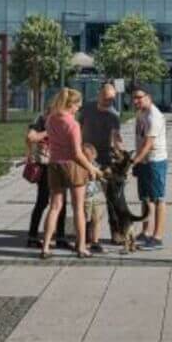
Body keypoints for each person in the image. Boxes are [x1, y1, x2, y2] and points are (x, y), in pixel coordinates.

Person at [42, 87, 100, 259]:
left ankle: (45, 247)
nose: (78, 109)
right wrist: (91, 167)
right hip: (72, 166)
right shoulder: (73, 124)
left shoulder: (50, 119)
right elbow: (76, 153)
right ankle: (81, 247)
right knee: (78, 209)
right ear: (70, 104)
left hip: (54, 165)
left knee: (54, 207)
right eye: (77, 106)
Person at [132, 86, 168, 248]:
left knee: (158, 198)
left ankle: (158, 236)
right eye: (134, 98)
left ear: (149, 97)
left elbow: (148, 143)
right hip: (144, 161)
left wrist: (135, 160)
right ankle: (145, 232)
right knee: (145, 198)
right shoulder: (141, 113)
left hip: (155, 161)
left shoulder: (155, 116)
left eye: (139, 97)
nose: (136, 101)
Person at [25, 110, 67, 250]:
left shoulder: (64, 118)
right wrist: (49, 131)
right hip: (45, 166)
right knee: (42, 201)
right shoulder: (41, 119)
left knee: (62, 203)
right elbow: (31, 137)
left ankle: (60, 237)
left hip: (60, 164)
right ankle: (32, 236)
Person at [79, 81, 123, 172]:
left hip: (104, 155)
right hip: (86, 152)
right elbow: (79, 127)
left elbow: (116, 138)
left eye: (111, 99)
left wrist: (120, 153)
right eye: (106, 99)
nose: (108, 102)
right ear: (99, 95)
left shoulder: (114, 116)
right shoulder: (88, 107)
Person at [81, 141, 105, 253]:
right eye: (86, 156)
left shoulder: (96, 165)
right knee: (85, 219)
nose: (89, 158)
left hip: (97, 195)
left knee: (97, 219)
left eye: (91, 155)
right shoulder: (80, 166)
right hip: (85, 197)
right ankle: (83, 240)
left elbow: (102, 176)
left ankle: (95, 241)